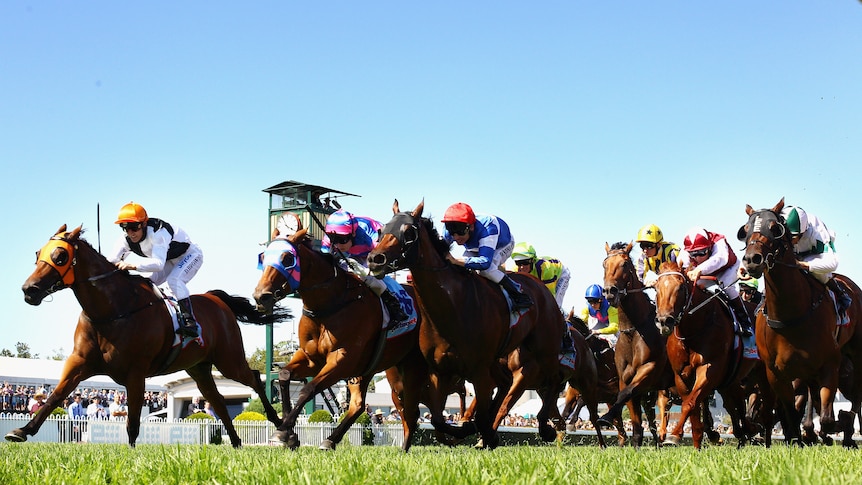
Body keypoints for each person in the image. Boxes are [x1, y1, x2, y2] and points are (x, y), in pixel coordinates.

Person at [107, 202, 204, 339]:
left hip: (190, 256)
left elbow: (158, 264)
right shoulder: (125, 240)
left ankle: (190, 322)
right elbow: (111, 260)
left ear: (143, 224)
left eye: (134, 227)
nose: (130, 233)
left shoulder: (159, 233)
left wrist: (132, 266)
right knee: (147, 284)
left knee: (174, 280)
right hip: (168, 261)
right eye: (125, 228)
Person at [321, 209, 408, 324]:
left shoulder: (368, 237)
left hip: (372, 251)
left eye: (342, 240)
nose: (337, 244)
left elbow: (381, 259)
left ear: (353, 234)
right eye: (333, 239)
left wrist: (368, 272)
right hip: (354, 253)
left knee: (364, 275)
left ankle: (393, 304)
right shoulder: (330, 237)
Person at [441, 202, 533, 311]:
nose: (455, 237)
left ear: (471, 227)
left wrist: (455, 260)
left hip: (502, 245)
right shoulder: (450, 228)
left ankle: (518, 293)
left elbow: (485, 262)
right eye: (452, 231)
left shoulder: (488, 227)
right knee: (460, 268)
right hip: (476, 247)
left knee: (486, 270)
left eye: (460, 231)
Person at [781, 205, 851, 316]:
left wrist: (802, 264)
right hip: (795, 253)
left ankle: (839, 293)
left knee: (819, 273)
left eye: (793, 237)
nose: (791, 241)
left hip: (813, 253)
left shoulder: (817, 233)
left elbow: (833, 263)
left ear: (802, 232)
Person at [680, 227, 752, 337]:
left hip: (727, 268)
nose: (698, 258)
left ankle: (745, 322)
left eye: (702, 252)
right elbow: (683, 265)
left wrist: (699, 269)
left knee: (727, 285)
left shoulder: (718, 242)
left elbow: (720, 259)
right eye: (693, 254)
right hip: (706, 273)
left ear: (709, 247)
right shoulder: (685, 251)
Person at [510, 242, 570, 311]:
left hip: (561, 275)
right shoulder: (515, 270)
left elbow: (549, 295)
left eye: (525, 262)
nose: (522, 267)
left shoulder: (545, 269)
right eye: (518, 263)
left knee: (554, 305)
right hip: (540, 274)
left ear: (532, 260)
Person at [578, 284, 620, 348]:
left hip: (616, 328)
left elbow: (614, 328)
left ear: (601, 300)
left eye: (595, 301)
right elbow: (581, 322)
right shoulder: (587, 308)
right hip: (601, 324)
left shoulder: (611, 308)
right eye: (590, 301)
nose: (592, 305)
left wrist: (598, 331)